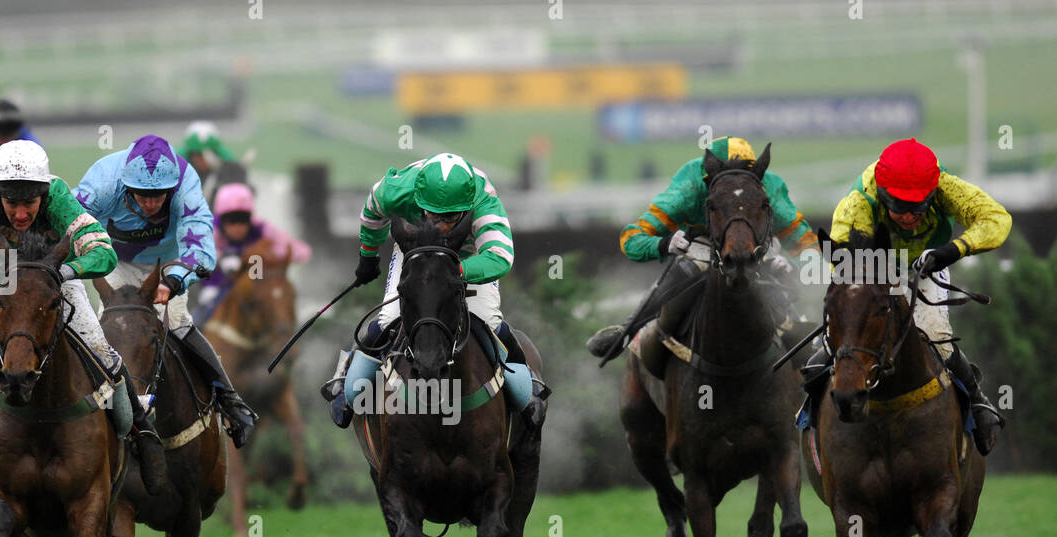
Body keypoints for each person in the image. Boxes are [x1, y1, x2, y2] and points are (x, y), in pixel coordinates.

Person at [0, 140, 167, 520]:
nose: (18, 212)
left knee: (103, 354)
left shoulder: (60, 197)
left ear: (44, 194)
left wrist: (62, 272)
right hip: (4, 285)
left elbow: (104, 253)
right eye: (10, 203)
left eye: (28, 203)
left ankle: (141, 433)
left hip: (56, 282)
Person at [320, 152, 549, 428]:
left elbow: (500, 257)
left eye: (450, 217)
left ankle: (529, 385)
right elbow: (372, 213)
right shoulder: (395, 190)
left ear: (467, 207)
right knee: (387, 319)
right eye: (432, 214)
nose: (440, 224)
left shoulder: (483, 199)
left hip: (468, 255)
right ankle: (346, 378)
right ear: (418, 199)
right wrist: (368, 256)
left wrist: (456, 273)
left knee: (489, 320)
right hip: (417, 250)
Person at [817, 137, 1009, 454]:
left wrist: (952, 250)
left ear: (933, 193)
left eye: (918, 208)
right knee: (832, 339)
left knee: (936, 335)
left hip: (927, 266)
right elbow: (847, 267)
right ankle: (809, 415)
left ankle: (977, 402)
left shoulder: (946, 186)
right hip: (872, 272)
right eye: (900, 208)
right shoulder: (857, 204)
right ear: (882, 194)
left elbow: (997, 219)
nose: (909, 217)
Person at [74, 134, 257, 447]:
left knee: (178, 321)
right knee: (114, 328)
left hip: (167, 262)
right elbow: (68, 222)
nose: (150, 202)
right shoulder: (103, 180)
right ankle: (91, 414)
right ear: (126, 183)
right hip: (114, 261)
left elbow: (200, 245)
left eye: (158, 195)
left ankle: (231, 402)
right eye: (142, 194)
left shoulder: (186, 181)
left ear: (171, 187)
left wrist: (172, 280)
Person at [588, 137, 819, 362]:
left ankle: (813, 353)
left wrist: (799, 268)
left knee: (780, 292)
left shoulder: (769, 189)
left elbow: (807, 246)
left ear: (757, 176)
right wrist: (663, 244)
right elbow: (631, 239)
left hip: (752, 244)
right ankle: (627, 331)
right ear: (707, 178)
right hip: (701, 242)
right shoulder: (688, 187)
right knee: (683, 273)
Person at [193, 182, 312, 326]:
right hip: (218, 287)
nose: (238, 226)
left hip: (256, 289)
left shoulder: (262, 229)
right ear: (221, 219)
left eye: (243, 219)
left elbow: (302, 252)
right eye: (231, 220)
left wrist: (269, 254)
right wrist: (220, 258)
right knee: (202, 313)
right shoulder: (209, 229)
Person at [177, 120, 236, 194]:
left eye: (209, 154)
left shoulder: (224, 174)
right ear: (191, 155)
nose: (203, 160)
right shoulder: (179, 172)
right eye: (198, 155)